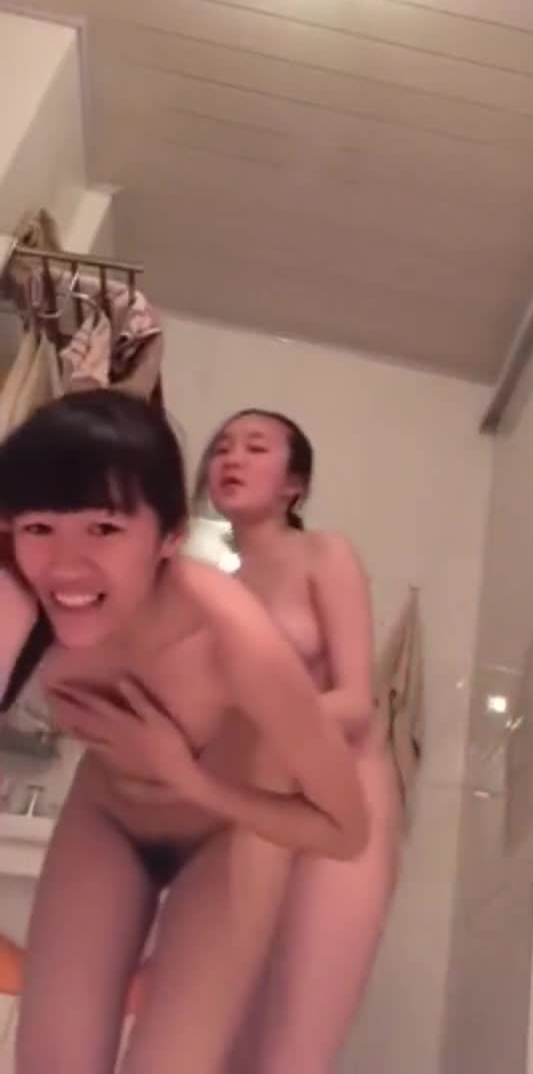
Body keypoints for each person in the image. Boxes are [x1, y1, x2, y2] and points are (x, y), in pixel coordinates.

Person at [0, 390, 368, 1074]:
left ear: (170, 536)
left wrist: (186, 775)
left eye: (104, 528)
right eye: (39, 526)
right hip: (108, 816)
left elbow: (345, 830)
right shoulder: (21, 588)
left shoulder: (235, 633)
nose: (65, 564)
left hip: (225, 832)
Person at [196, 408, 402, 1072]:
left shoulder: (325, 554)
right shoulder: (218, 591)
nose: (231, 457)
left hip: (341, 806)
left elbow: (356, 703)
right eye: (222, 448)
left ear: (296, 485)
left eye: (255, 447)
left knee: (296, 1050)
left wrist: (256, 723)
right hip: (256, 809)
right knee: (222, 1040)